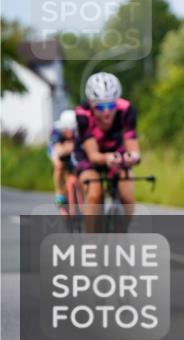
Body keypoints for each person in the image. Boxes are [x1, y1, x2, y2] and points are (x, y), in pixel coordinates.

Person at [74, 72, 141, 231]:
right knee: (95, 194)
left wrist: (134, 156)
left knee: (127, 196)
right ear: (91, 104)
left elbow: (132, 142)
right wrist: (107, 159)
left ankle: (122, 230)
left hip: (115, 151)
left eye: (111, 105)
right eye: (100, 106)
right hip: (89, 154)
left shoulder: (126, 109)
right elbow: (93, 155)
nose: (107, 112)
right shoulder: (82, 115)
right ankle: (89, 245)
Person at [48, 109, 79, 212]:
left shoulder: (79, 131)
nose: (69, 132)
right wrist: (65, 149)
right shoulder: (56, 131)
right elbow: (57, 150)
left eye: (72, 129)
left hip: (73, 151)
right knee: (59, 165)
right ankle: (59, 193)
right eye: (66, 129)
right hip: (58, 151)